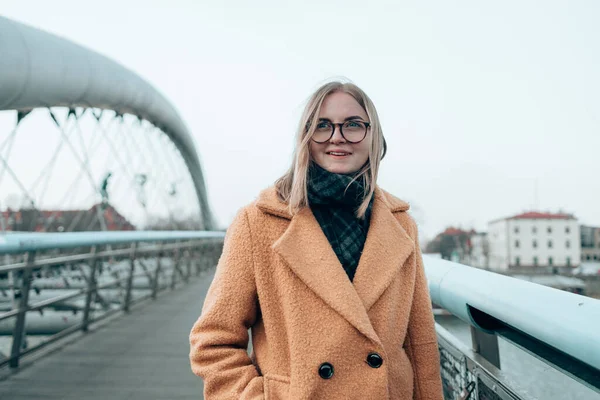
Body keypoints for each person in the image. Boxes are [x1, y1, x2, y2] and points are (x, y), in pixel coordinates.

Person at [189, 81, 443, 399]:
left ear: (373, 135)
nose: (337, 136)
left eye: (353, 125)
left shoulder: (401, 224)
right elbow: (214, 340)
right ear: (306, 137)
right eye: (322, 125)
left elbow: (420, 344)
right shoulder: (258, 222)